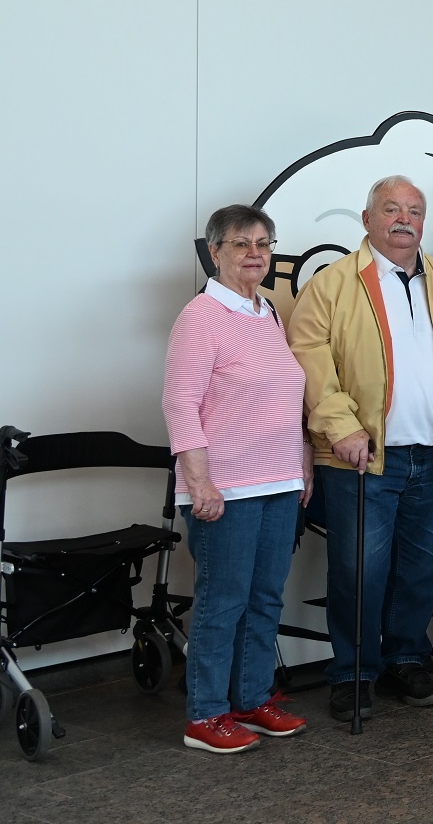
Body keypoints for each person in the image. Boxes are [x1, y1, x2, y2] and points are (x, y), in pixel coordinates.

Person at [288, 176, 433, 722]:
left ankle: (406, 658)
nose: (404, 219)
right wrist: (340, 426)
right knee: (360, 572)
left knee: (421, 570)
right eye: (392, 209)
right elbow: (308, 358)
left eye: (415, 211)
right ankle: (353, 673)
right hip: (362, 457)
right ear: (367, 218)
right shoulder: (332, 285)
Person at [163, 204, 311, 753]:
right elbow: (180, 402)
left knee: (266, 597)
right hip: (224, 486)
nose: (256, 254)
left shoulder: (266, 312)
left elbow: (285, 400)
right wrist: (198, 482)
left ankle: (251, 699)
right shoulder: (201, 315)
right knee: (223, 601)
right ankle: (205, 716)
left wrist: (302, 466)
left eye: (264, 244)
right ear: (215, 252)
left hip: (277, 482)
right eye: (243, 244)